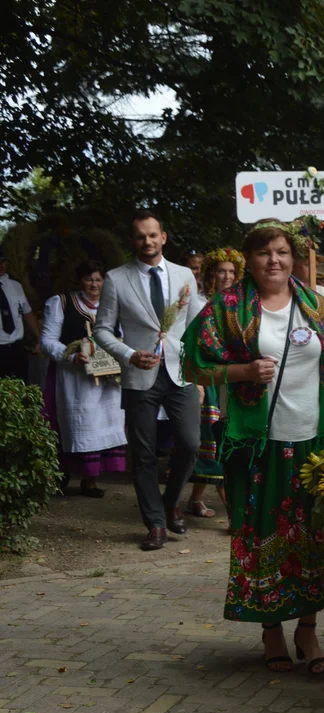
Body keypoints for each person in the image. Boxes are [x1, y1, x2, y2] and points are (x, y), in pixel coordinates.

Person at [183, 219, 324, 674]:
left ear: (293, 257)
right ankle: (271, 630)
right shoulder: (227, 307)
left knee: (312, 536)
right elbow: (194, 366)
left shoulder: (318, 304)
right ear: (249, 260)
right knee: (262, 535)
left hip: (314, 442)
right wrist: (241, 372)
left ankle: (308, 629)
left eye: (281, 252)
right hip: (258, 444)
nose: (274, 261)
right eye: (264, 253)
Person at [94, 210, 205, 551]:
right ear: (133, 240)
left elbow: (197, 323)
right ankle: (155, 523)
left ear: (163, 237)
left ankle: (171, 502)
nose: (147, 241)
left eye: (152, 235)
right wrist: (128, 354)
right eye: (141, 236)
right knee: (142, 454)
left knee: (190, 443)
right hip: (139, 374)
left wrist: (201, 371)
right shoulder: (116, 278)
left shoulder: (184, 274)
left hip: (180, 371)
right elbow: (101, 330)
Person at [41, 260, 127, 497]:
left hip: (107, 379)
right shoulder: (62, 303)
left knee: (101, 424)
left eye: (99, 280)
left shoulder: (113, 306)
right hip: (74, 379)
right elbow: (47, 340)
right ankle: (60, 476)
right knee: (77, 425)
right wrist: (70, 355)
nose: (94, 284)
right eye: (89, 279)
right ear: (80, 280)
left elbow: (122, 337)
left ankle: (90, 480)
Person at [183, 247, 244, 518]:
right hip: (207, 376)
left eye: (232, 272)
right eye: (222, 271)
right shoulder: (198, 301)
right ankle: (233, 513)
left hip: (230, 375)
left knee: (219, 437)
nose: (227, 276)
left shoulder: (237, 301)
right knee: (211, 438)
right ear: (211, 273)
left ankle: (195, 499)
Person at [0, 248, 41, 381]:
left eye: (3, 261)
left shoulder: (15, 285)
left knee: (21, 388)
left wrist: (39, 338)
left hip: (17, 349)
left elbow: (27, 313)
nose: (1, 265)